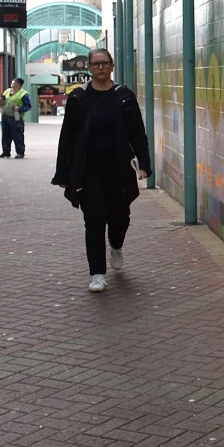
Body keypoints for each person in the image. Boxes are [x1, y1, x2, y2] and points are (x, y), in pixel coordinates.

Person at [52, 49, 151, 293]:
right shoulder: (79, 98)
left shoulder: (124, 96)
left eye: (104, 63)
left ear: (112, 66)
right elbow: (67, 137)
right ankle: (97, 273)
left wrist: (145, 164)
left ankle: (116, 245)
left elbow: (138, 132)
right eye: (95, 64)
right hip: (89, 169)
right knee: (94, 219)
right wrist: (62, 174)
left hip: (118, 167)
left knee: (120, 217)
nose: (100, 68)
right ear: (89, 67)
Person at [0, 77, 31, 158]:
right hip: (5, 115)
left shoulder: (23, 94)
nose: (12, 84)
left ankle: (20, 152)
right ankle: (6, 152)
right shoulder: (7, 91)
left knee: (17, 135)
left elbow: (28, 106)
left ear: (18, 85)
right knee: (5, 135)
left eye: (14, 83)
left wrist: (19, 109)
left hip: (16, 118)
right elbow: (2, 99)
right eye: (12, 83)